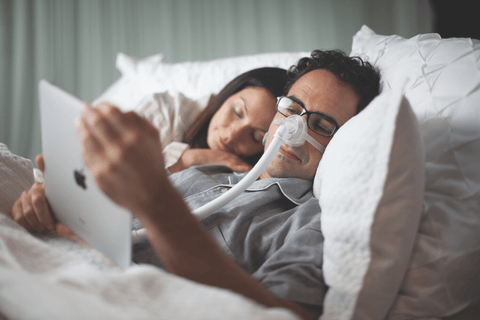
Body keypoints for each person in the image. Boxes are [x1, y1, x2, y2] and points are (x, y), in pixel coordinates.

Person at [10, 50, 380, 320]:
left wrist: (159, 205)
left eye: (321, 125)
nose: (294, 130)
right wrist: (53, 203)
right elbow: (109, 227)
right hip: (57, 261)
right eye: (292, 108)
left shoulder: (313, 221)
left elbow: (285, 314)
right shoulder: (205, 174)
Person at [135, 67, 288, 174]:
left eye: (256, 137)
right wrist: (187, 159)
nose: (231, 135)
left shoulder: (246, 172)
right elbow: (120, 179)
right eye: (237, 112)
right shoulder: (165, 110)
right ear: (229, 93)